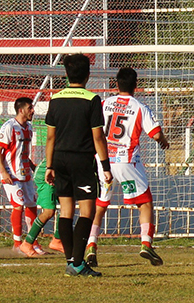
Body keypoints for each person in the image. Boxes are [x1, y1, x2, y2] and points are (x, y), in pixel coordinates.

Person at [87, 67, 169, 267]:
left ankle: (91, 245)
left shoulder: (104, 103)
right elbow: (156, 134)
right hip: (127, 162)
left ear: (116, 84)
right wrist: (164, 142)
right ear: (136, 86)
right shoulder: (139, 107)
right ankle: (146, 244)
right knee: (145, 203)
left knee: (100, 205)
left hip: (104, 162)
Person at [45, 54, 113, 277]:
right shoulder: (91, 99)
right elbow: (98, 137)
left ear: (66, 74)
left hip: (60, 159)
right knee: (87, 211)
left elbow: (50, 138)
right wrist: (105, 166)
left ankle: (71, 261)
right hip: (82, 160)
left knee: (65, 211)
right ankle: (76, 263)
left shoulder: (56, 99)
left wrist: (49, 165)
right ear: (88, 74)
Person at [0, 97, 42, 255]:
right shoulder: (9, 126)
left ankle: (33, 242)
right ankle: (17, 244)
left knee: (32, 205)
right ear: (21, 110)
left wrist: (33, 166)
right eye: (30, 108)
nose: (33, 111)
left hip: (25, 172)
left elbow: (22, 151)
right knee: (18, 205)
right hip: (11, 174)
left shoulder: (28, 127)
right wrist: (3, 170)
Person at [18, 158, 64, 256]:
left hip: (61, 173)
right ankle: (27, 243)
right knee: (49, 211)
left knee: (67, 206)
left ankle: (57, 240)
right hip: (46, 175)